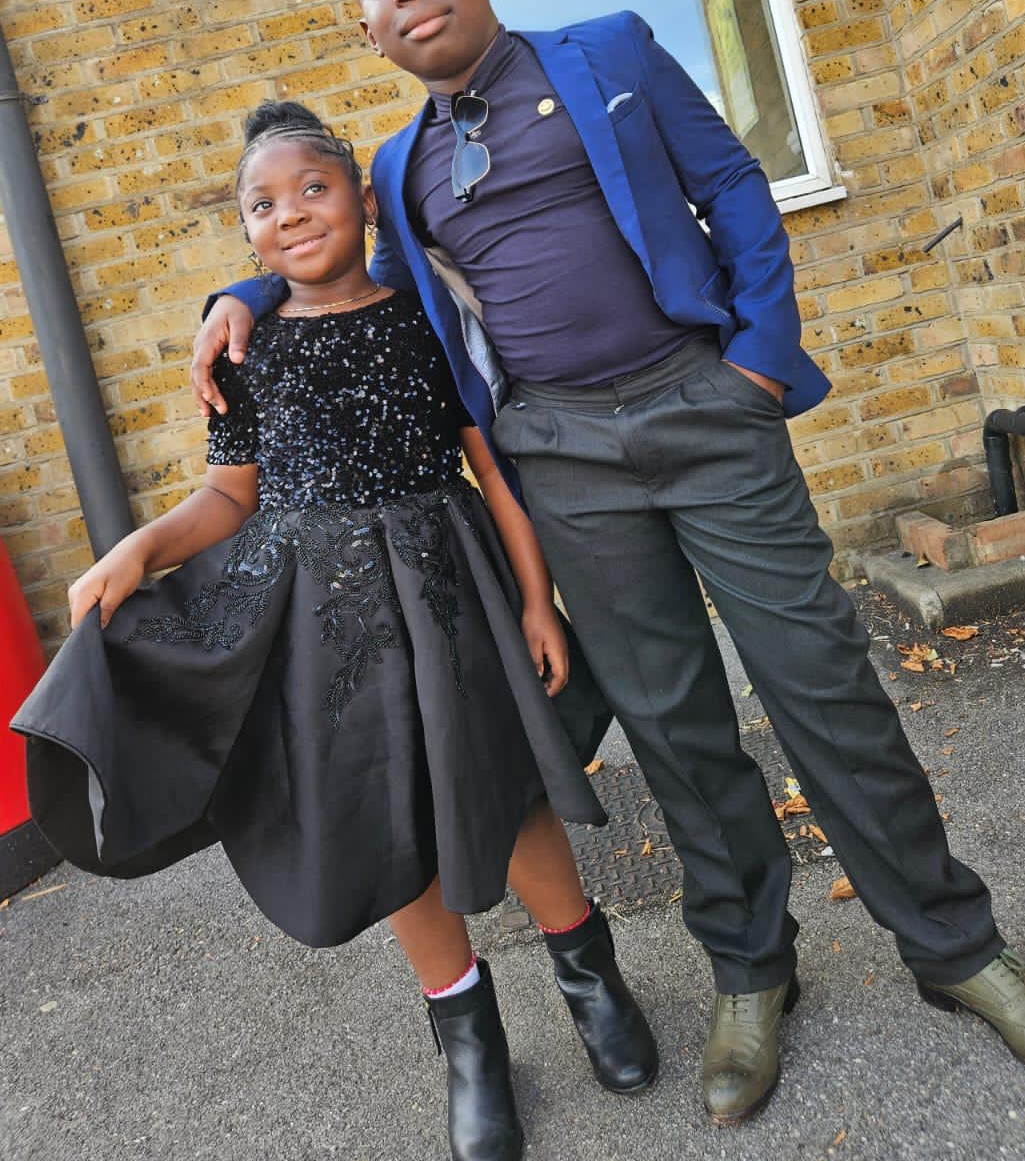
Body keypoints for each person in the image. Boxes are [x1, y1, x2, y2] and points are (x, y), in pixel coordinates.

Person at [192, 0, 1025, 1122]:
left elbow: (733, 183)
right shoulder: (402, 168)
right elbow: (350, 271)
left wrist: (757, 363)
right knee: (673, 722)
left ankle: (959, 950)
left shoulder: (611, 52)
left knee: (821, 682)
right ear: (366, 29)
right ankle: (752, 969)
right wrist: (247, 290)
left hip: (703, 406)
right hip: (563, 456)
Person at [13, 100, 657, 1161]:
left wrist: (538, 601)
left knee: (506, 789)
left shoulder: (423, 318)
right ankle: (470, 1042)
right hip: (326, 621)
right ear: (246, 232)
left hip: (450, 587)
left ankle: (591, 978)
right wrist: (139, 548)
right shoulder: (243, 347)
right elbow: (228, 498)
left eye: (314, 188)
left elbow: (491, 470)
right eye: (262, 205)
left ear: (362, 200)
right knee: (386, 813)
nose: (292, 214)